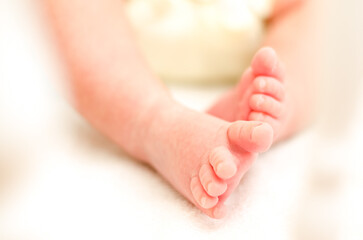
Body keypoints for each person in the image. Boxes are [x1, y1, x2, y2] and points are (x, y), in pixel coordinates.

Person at [43, 0, 320, 218]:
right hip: (127, 25)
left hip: (256, 20)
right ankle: (153, 119)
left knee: (320, 16)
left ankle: (279, 97)